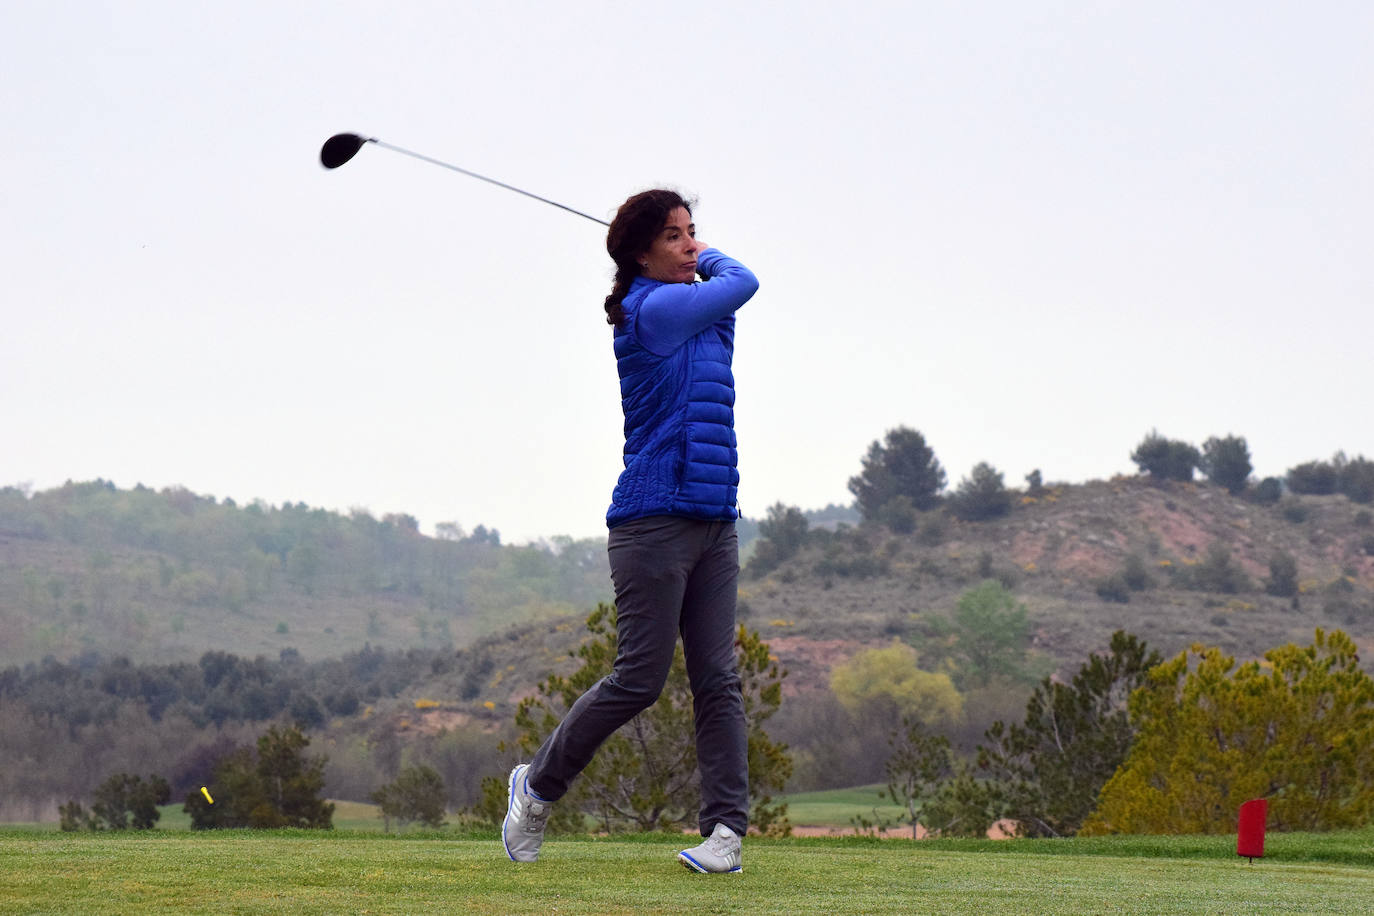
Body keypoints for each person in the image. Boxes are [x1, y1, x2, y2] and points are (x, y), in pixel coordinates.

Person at [503, 189, 759, 873]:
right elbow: (744, 280)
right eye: (674, 236)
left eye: (694, 232)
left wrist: (689, 251)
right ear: (642, 252)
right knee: (639, 680)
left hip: (714, 517)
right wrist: (709, 257)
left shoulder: (697, 312)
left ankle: (726, 834)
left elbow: (727, 297)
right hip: (652, 522)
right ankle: (535, 791)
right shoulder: (654, 311)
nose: (690, 245)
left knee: (718, 679)